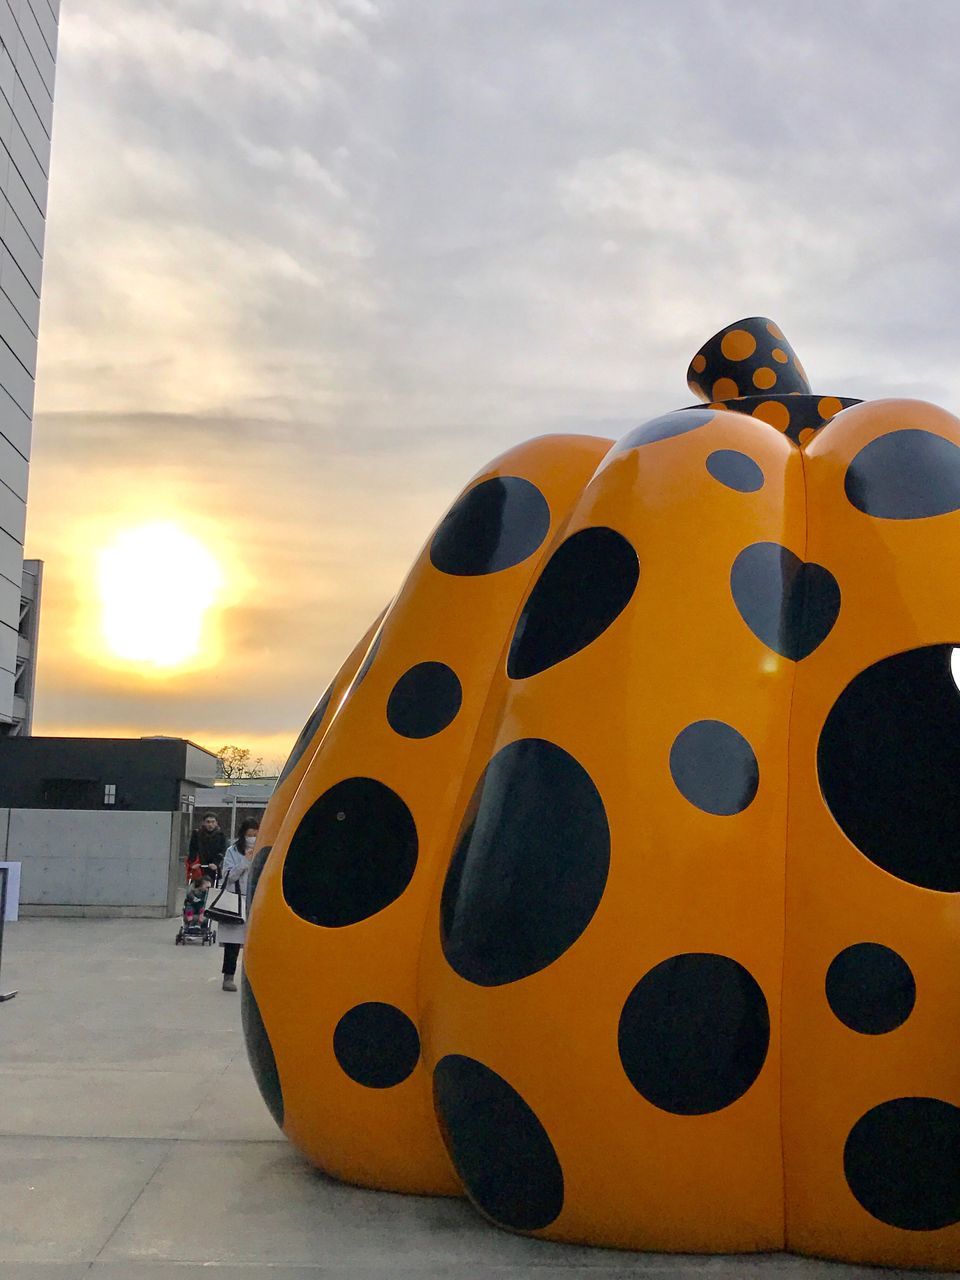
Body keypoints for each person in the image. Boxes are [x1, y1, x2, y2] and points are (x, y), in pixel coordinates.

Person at [218, 818, 259, 992]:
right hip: (236, 899)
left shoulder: (263, 850)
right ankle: (228, 976)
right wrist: (244, 863)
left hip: (256, 899)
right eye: (249, 835)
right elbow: (228, 875)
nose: (252, 839)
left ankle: (254, 979)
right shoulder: (232, 851)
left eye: (255, 835)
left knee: (255, 942)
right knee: (233, 942)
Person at [187, 813, 226, 885]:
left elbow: (222, 851)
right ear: (203, 823)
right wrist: (193, 862)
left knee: (212, 888)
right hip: (199, 867)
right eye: (208, 822)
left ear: (216, 823)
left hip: (213, 868)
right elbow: (192, 850)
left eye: (213, 822)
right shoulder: (197, 834)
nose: (210, 824)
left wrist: (216, 863)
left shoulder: (221, 835)